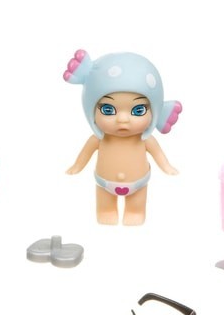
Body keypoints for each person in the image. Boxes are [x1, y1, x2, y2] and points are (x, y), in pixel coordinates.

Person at [63, 50, 182, 225]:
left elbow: (159, 155)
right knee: (105, 207)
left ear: (154, 111)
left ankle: (135, 211)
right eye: (108, 110)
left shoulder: (145, 140)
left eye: (138, 110)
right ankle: (106, 210)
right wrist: (76, 166)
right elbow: (84, 155)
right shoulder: (98, 139)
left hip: (138, 183)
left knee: (136, 208)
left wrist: (167, 167)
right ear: (91, 111)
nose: (123, 119)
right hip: (104, 183)